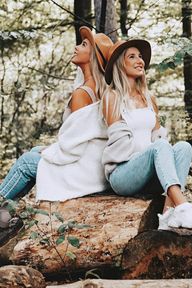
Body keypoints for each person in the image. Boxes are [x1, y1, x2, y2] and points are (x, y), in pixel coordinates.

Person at [0, 27, 113, 226]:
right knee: (36, 151)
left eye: (84, 45)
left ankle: (1, 206)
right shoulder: (102, 90)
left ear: (93, 56)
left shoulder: (83, 93)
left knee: (27, 161)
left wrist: (50, 152)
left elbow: (73, 146)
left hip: (85, 171)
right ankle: (4, 212)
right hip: (95, 164)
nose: (77, 47)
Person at [101, 39, 192, 230]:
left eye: (140, 57)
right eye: (132, 57)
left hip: (149, 174)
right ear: (120, 63)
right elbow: (120, 146)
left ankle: (168, 215)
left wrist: (174, 162)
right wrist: (154, 155)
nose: (140, 61)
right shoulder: (112, 97)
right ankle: (182, 207)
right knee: (160, 147)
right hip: (123, 174)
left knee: (184, 147)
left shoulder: (149, 99)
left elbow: (158, 139)